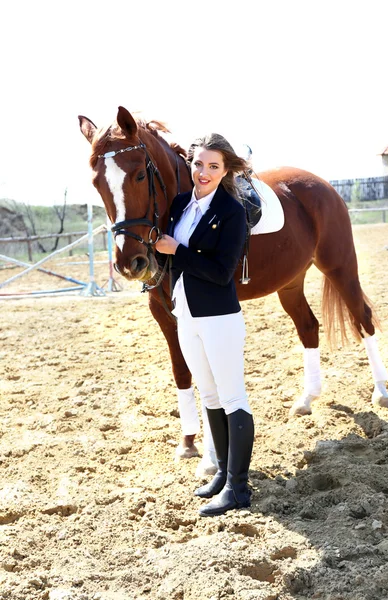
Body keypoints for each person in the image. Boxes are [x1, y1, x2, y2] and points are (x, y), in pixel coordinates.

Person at [155, 133, 254, 517]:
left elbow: (221, 271)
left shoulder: (232, 212)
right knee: (209, 396)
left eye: (213, 166)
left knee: (232, 397)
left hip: (219, 317)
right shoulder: (181, 204)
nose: (203, 172)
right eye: (198, 164)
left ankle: (238, 489)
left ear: (226, 169)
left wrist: (178, 250)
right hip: (186, 313)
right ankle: (223, 475)